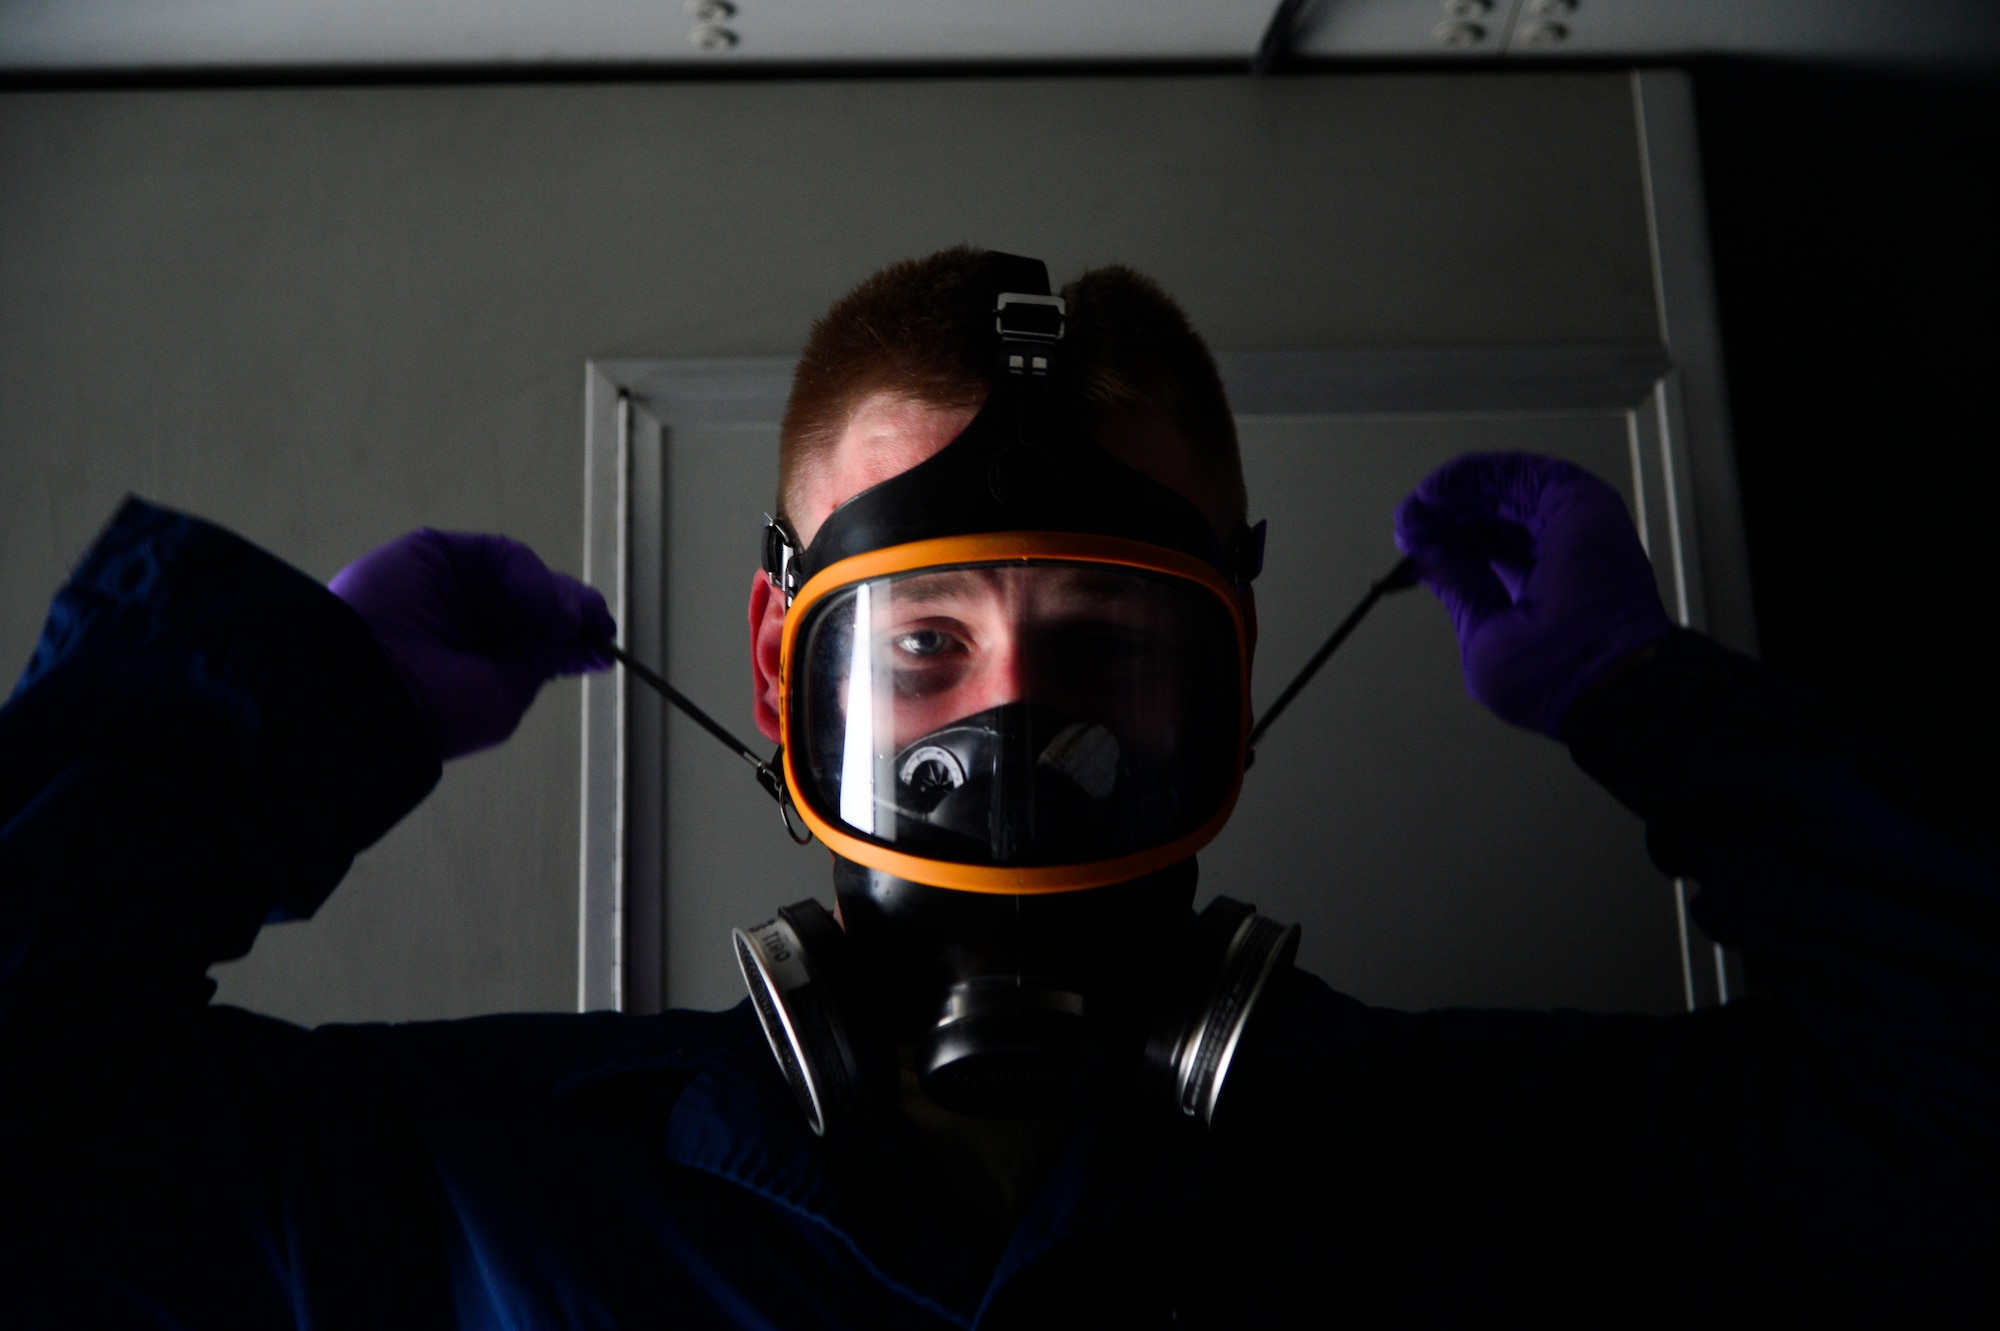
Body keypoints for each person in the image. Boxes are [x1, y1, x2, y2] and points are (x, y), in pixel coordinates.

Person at [1, 247, 1994, 1328]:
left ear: (1231, 661)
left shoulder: (1530, 1175)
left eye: (1105, 643)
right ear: (786, 674)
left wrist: (1639, 697)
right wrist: (289, 709)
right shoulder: (458, 1196)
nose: (1013, 728)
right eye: (927, 642)